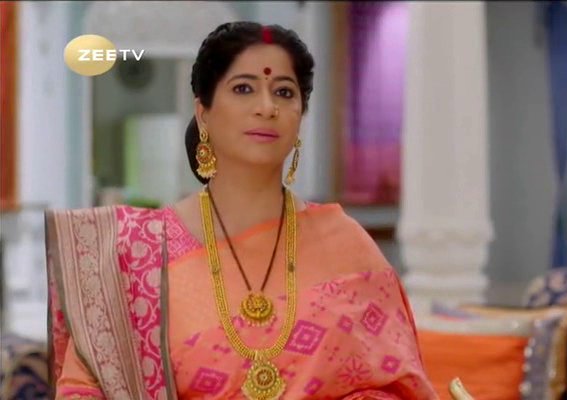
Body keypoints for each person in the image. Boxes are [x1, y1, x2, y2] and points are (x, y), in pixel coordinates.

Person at [45, 21, 438, 400]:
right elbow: (86, 386)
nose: (266, 107)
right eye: (244, 88)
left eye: (284, 92)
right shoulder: (136, 253)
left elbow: (393, 386)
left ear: (301, 115)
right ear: (204, 112)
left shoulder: (346, 246)